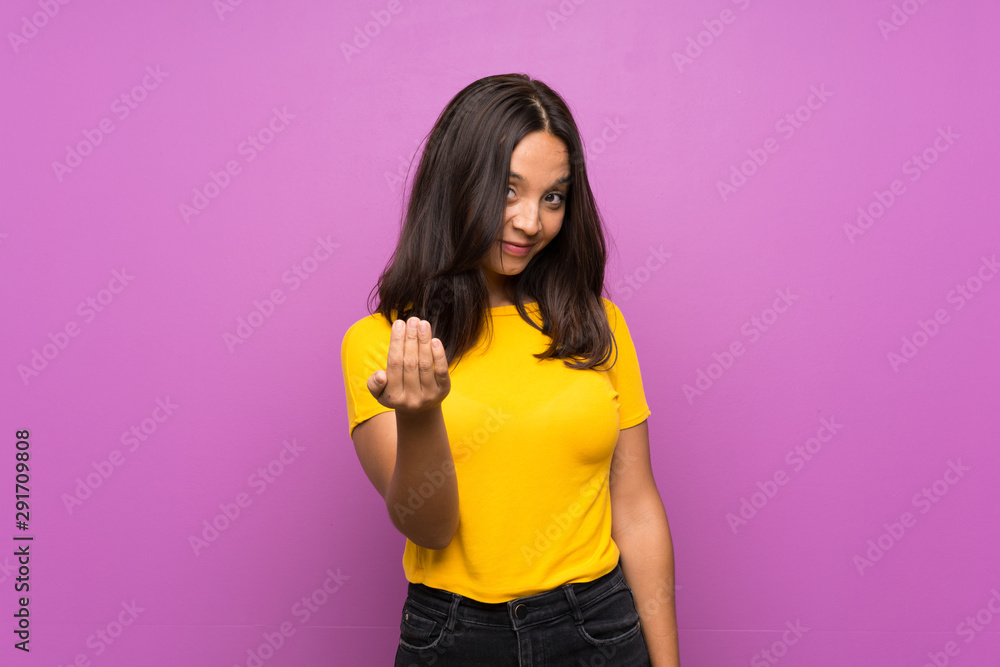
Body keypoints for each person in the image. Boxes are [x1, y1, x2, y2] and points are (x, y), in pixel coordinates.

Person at [340, 73, 680, 666]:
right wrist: (420, 417)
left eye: (553, 197)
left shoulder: (596, 324)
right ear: (457, 183)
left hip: (598, 626)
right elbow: (431, 529)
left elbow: (636, 507)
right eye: (508, 190)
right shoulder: (386, 343)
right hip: (454, 636)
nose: (530, 222)